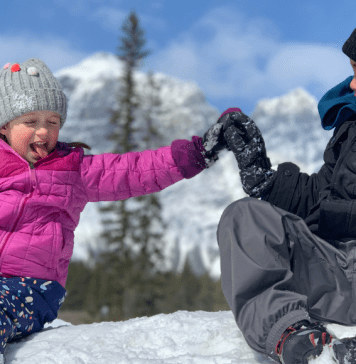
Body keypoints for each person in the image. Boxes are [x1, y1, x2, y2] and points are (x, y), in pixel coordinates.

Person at [0, 57, 237, 364]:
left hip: (31, 286)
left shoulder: (74, 171)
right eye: (31, 122)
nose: (44, 132)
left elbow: (133, 171)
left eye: (53, 122)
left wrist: (199, 151)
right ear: (5, 125)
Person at [216, 28, 356, 364]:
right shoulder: (350, 123)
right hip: (337, 272)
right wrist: (266, 180)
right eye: (353, 68)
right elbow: (324, 195)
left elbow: (332, 209)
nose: (352, 84)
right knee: (244, 217)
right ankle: (298, 340)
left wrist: (333, 215)